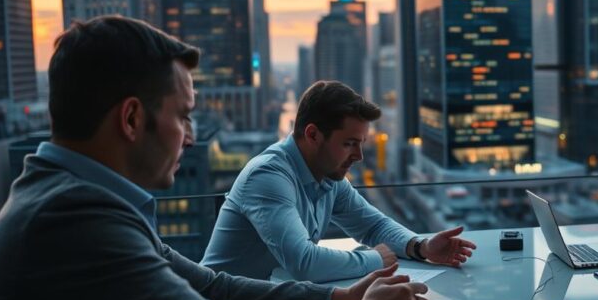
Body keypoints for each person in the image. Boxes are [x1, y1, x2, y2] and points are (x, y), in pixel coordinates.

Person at [0, 17, 428, 300]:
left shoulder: (86, 201)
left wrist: (337, 298)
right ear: (132, 119)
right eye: (183, 115)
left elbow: (213, 289)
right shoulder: (70, 221)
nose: (191, 136)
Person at [202, 81, 476, 283]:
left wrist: (422, 247)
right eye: (348, 144)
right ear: (313, 135)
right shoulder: (268, 177)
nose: (358, 156)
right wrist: (374, 259)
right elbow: (304, 262)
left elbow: (373, 225)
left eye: (361, 144)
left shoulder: (328, 176)